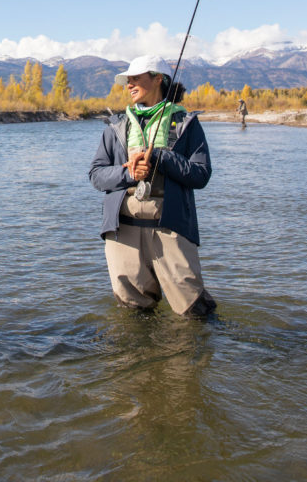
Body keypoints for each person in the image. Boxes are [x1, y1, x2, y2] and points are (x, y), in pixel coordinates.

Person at [89, 55, 216, 316]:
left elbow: (201, 175)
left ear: (159, 79)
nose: (129, 84)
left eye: (136, 78)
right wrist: (128, 173)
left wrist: (161, 156)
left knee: (195, 312)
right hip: (122, 230)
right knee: (132, 313)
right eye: (128, 80)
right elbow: (96, 175)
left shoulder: (186, 124)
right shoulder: (115, 127)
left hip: (172, 228)